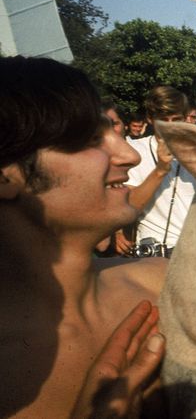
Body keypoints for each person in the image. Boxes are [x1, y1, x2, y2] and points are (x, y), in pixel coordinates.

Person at [0, 56, 167, 417]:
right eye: (91, 138)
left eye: (114, 132)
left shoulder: (173, 283)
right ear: (5, 176)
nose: (128, 157)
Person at [125, 86, 196, 255]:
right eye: (163, 120)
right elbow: (129, 207)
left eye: (176, 119)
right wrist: (160, 170)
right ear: (150, 119)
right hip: (154, 254)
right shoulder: (134, 150)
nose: (170, 127)